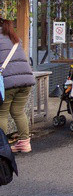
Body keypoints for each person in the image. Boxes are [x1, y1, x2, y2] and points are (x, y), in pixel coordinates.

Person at [0, 18, 36, 153]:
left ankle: (2, 146)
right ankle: (25, 143)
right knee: (18, 112)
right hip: (25, 81)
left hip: (8, 82)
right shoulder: (14, 38)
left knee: (2, 113)